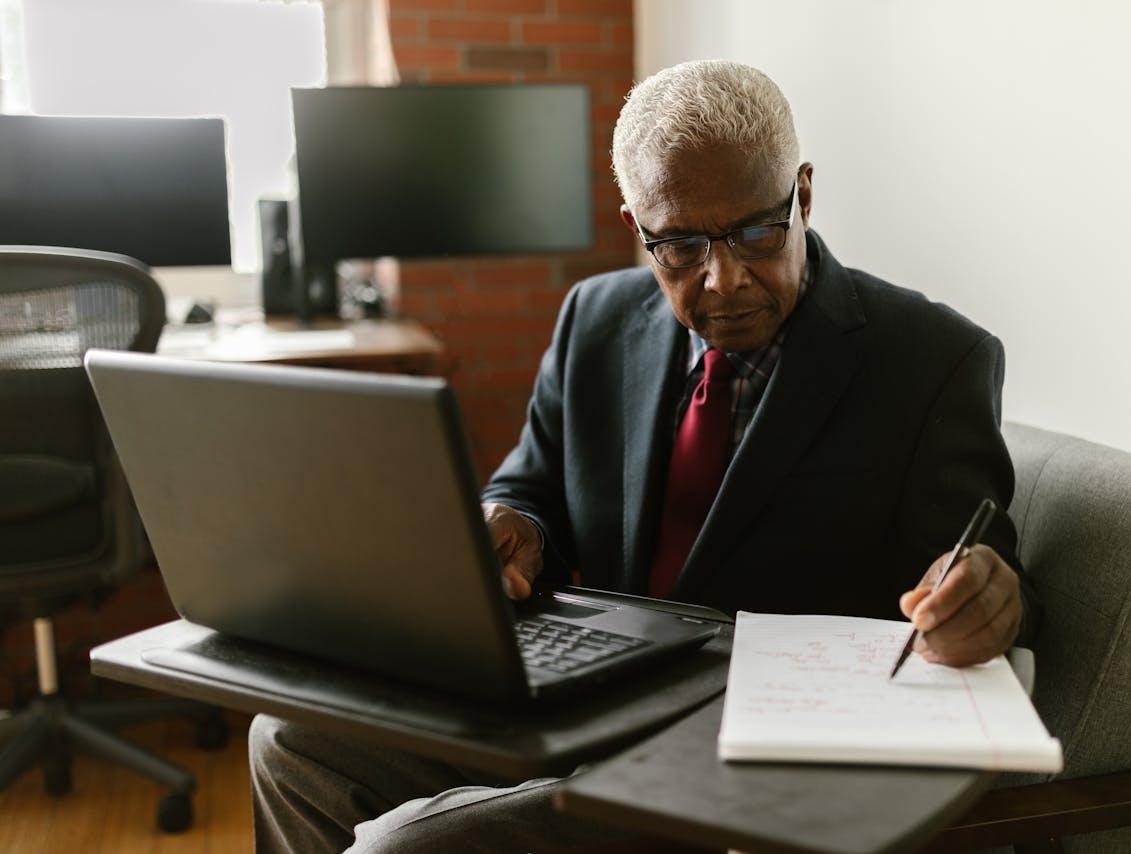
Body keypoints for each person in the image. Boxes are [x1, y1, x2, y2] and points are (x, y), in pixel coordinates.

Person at [249, 59, 1038, 853]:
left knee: (406, 847)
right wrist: (513, 523)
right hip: (591, 697)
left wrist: (983, 599)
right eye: (681, 246)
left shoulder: (932, 358)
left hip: (765, 754)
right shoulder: (594, 318)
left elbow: (977, 565)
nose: (723, 278)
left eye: (756, 232)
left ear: (802, 194)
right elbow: (532, 483)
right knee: (289, 743)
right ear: (637, 228)